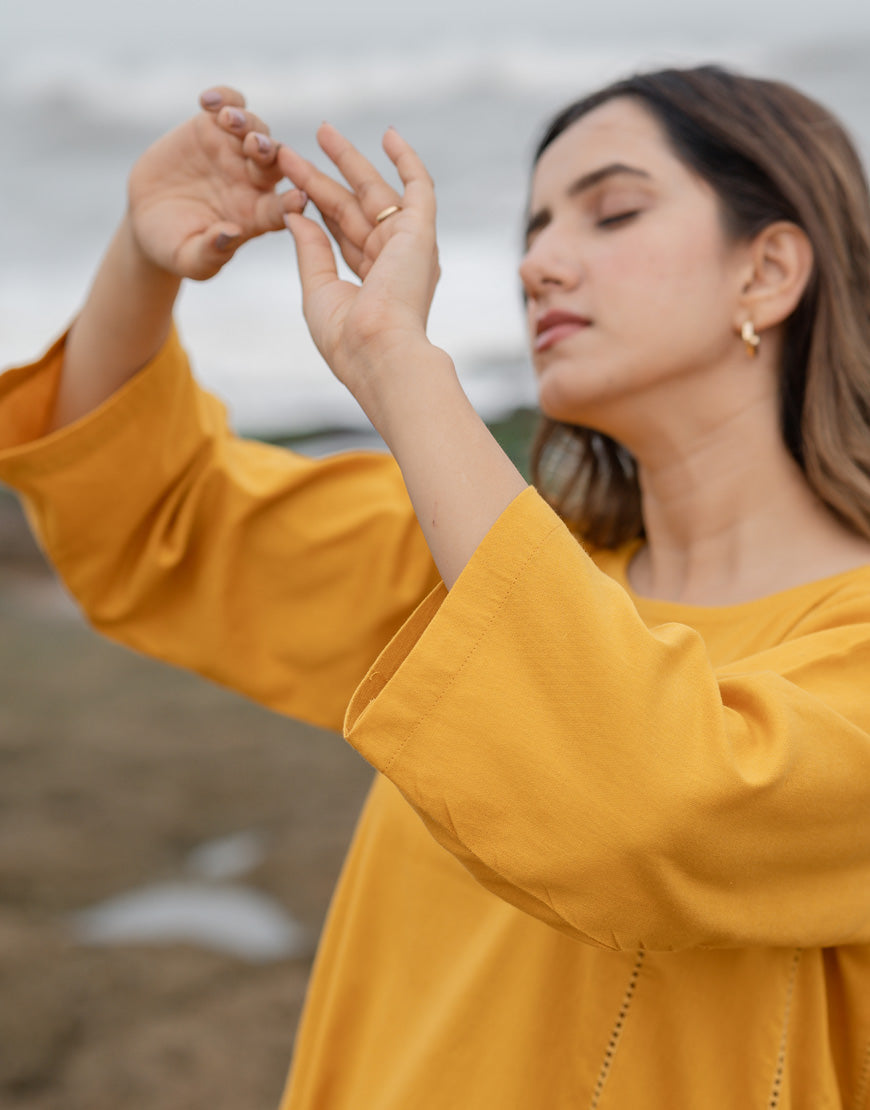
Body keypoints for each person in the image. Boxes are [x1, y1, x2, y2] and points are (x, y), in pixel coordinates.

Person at [1, 63, 869, 1108]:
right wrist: (145, 262)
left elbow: (649, 807)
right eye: (534, 228)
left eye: (613, 213)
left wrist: (399, 366)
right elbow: (152, 516)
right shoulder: (467, 563)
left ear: (769, 269)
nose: (542, 262)